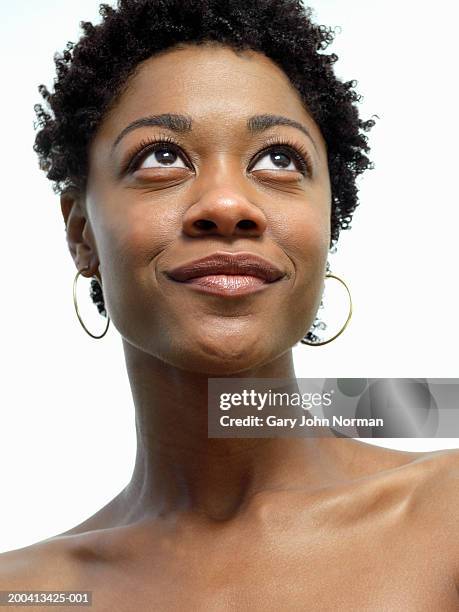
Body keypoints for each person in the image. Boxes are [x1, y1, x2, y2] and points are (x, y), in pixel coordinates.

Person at [1, 0, 458, 609]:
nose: (226, 204)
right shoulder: (27, 594)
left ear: (328, 223)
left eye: (279, 158)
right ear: (82, 233)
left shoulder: (447, 517)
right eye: (161, 156)